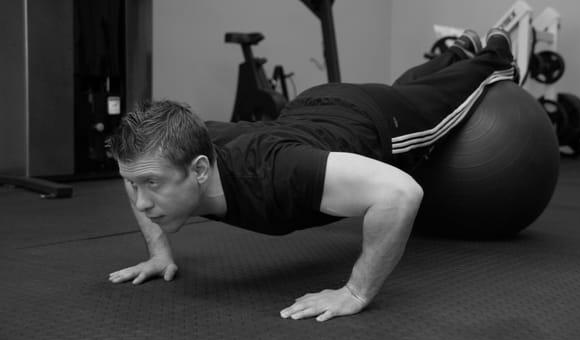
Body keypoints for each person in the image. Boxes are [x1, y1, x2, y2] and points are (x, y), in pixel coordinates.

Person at [107, 28, 517, 322]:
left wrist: (355, 292)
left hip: (375, 122)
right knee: (406, 89)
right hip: (313, 106)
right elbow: (137, 173)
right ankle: (455, 51)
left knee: (439, 102)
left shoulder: (275, 173)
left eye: (153, 185)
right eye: (135, 183)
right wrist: (159, 253)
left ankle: (492, 56)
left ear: (198, 170)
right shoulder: (182, 148)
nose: (142, 201)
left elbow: (401, 193)